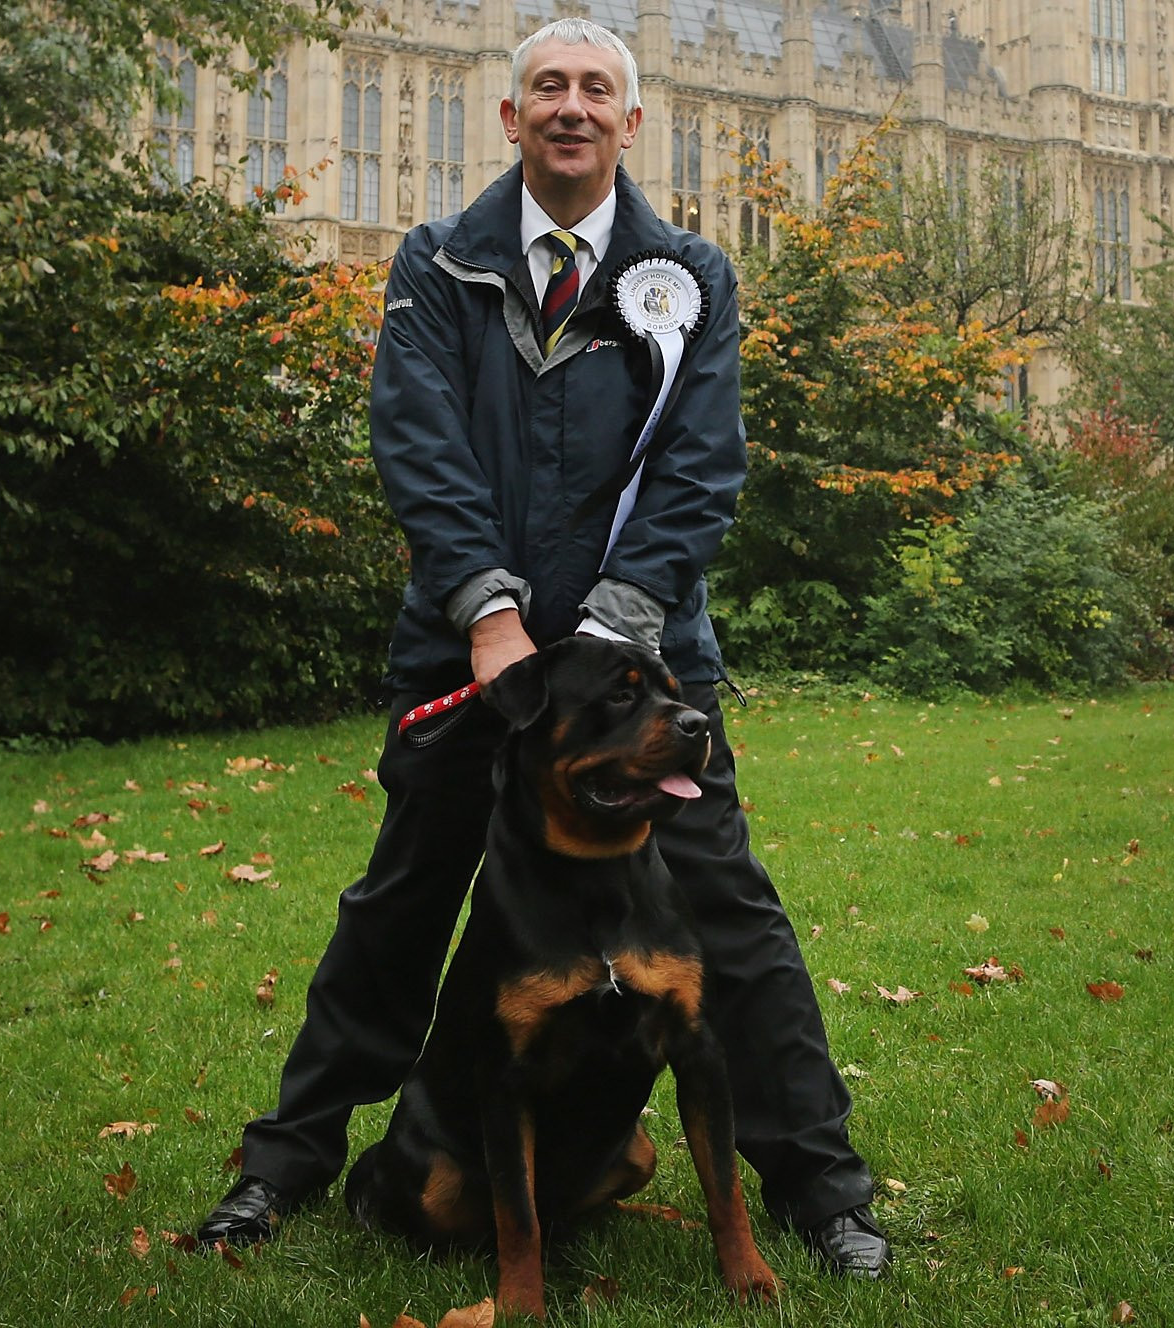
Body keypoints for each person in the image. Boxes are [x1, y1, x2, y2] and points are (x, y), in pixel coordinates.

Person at [190, 17, 890, 1278]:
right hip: (469, 661)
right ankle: (281, 1165)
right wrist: (487, 609)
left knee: (728, 921)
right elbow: (418, 441)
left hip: (637, 673)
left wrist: (617, 622)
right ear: (508, 118)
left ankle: (826, 1190)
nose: (573, 107)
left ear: (634, 122)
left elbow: (701, 471)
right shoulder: (436, 263)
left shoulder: (690, 278)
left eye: (599, 90)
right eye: (548, 87)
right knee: (401, 910)